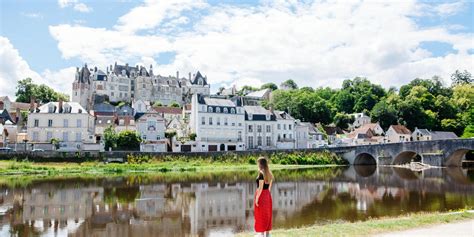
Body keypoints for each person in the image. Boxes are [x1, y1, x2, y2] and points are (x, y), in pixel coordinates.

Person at [254, 157, 273, 237]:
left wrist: (257, 198)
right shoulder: (269, 173)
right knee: (267, 214)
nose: (258, 164)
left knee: (260, 214)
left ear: (261, 164)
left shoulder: (261, 173)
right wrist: (267, 194)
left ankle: (262, 234)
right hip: (267, 195)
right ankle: (267, 234)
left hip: (261, 195)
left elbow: (260, 188)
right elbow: (269, 187)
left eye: (258, 163)